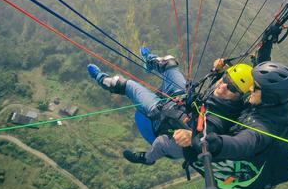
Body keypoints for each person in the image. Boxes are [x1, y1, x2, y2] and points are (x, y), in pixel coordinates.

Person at [87, 47, 254, 165]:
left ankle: (147, 159)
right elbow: (223, 82)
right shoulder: (222, 89)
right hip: (182, 101)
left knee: (126, 85)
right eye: (225, 79)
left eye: (232, 88)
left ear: (240, 96)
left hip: (172, 124)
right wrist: (218, 70)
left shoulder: (220, 119)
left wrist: (193, 137)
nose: (223, 86)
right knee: (169, 62)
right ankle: (151, 62)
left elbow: (207, 135)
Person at [185, 61, 288, 189]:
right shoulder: (272, 105)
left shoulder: (262, 129)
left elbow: (245, 142)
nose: (250, 88)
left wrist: (218, 144)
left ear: (269, 96)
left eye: (255, 87)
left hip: (238, 177)